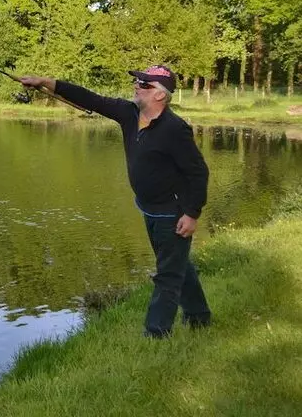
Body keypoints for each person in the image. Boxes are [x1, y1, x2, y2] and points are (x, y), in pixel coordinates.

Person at [19, 65, 211, 338]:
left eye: (144, 85)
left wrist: (191, 214)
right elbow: (91, 99)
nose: (136, 86)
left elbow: (198, 172)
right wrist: (46, 82)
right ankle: (199, 318)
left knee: (168, 275)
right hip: (149, 209)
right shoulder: (129, 114)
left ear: (160, 95)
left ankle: (155, 336)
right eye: (137, 82)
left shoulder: (175, 129)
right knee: (177, 264)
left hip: (173, 212)